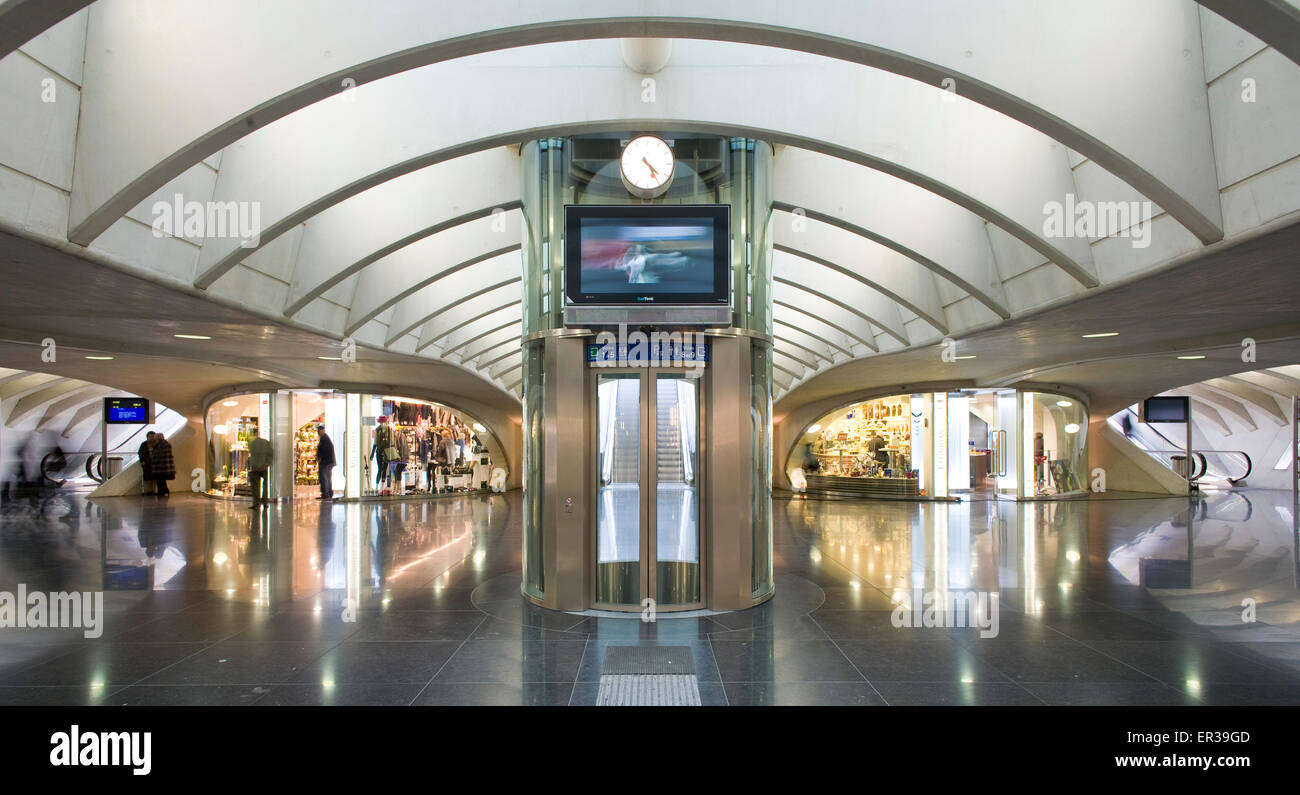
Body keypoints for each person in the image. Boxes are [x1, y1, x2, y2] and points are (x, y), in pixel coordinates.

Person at [247, 434, 274, 508]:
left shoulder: (253, 443)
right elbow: (271, 455)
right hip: (264, 467)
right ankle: (265, 501)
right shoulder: (266, 443)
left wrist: (251, 465)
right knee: (265, 485)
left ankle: (256, 503)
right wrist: (266, 464)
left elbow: (250, 455)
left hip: (255, 467)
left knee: (255, 486)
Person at [150, 432, 176, 497]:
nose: (154, 439)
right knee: (161, 480)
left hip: (161, 466)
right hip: (164, 465)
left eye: (155, 437)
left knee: (160, 479)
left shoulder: (161, 444)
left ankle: (162, 491)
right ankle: (164, 491)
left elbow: (158, 454)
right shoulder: (165, 443)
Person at [315, 424, 336, 500]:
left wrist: (319, 457)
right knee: (327, 477)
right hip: (328, 462)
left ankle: (326, 493)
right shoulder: (325, 438)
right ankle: (328, 493)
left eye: (319, 431)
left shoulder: (324, 439)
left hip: (326, 462)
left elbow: (324, 451)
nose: (318, 432)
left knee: (324, 478)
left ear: (323, 431)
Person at [138, 431, 156, 495]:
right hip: (147, 463)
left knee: (155, 478)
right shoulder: (144, 444)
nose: (151, 438)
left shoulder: (156, 444)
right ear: (147, 437)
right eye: (150, 436)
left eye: (153, 436)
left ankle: (154, 490)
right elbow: (140, 452)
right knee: (148, 478)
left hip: (155, 463)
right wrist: (142, 461)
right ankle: (149, 491)